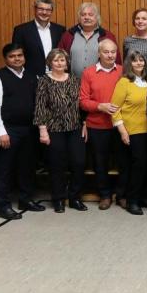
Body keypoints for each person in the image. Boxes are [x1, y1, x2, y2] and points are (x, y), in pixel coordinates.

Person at [0, 43, 44, 219]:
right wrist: (0, 131)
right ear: (6, 58)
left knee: (27, 166)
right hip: (9, 130)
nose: (17, 59)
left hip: (29, 129)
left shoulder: (33, 77)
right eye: (12, 56)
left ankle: (25, 199)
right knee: (5, 169)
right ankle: (3, 206)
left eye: (20, 55)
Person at [34, 48, 88, 213]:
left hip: (75, 127)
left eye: (62, 60)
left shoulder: (74, 79)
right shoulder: (44, 81)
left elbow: (81, 103)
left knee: (79, 163)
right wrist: (42, 130)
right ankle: (58, 199)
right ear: (50, 63)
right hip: (53, 129)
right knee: (56, 165)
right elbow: (40, 107)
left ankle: (74, 197)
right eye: (56, 60)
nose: (59, 63)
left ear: (67, 62)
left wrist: (85, 123)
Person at [79, 39, 123, 210]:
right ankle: (104, 195)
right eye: (106, 52)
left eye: (113, 51)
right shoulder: (89, 73)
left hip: (120, 126)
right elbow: (83, 101)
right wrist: (100, 106)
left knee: (123, 162)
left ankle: (121, 194)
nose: (110, 55)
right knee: (100, 163)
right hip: (97, 125)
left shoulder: (123, 70)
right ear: (99, 53)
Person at [111, 50, 147, 215]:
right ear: (129, 64)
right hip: (131, 131)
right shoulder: (124, 82)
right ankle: (132, 200)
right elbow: (114, 110)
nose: (139, 63)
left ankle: (143, 197)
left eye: (141, 60)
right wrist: (122, 131)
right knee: (137, 166)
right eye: (134, 61)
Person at [58, 2, 119, 77]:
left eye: (90, 14)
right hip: (73, 83)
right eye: (83, 15)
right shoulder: (68, 35)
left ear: (97, 17)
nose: (86, 17)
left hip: (99, 83)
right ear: (79, 18)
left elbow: (116, 61)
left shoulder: (107, 36)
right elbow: (59, 58)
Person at [12, 0, 65, 78]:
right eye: (41, 9)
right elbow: (16, 55)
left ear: (51, 12)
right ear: (35, 9)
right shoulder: (21, 30)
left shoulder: (60, 30)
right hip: (31, 78)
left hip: (55, 76)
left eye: (48, 10)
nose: (44, 12)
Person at [123, 8, 147, 80]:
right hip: (133, 82)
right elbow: (126, 63)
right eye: (137, 18)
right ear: (134, 21)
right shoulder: (128, 40)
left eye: (144, 19)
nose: (140, 21)